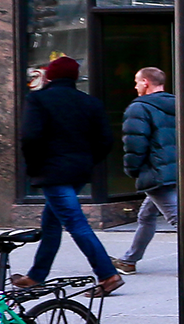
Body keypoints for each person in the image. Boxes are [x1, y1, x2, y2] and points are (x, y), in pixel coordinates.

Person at [12, 56, 123, 294]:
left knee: (75, 223)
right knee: (51, 223)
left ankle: (107, 275)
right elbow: (105, 140)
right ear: (75, 78)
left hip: (52, 171)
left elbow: (30, 137)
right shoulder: (89, 102)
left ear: (49, 76)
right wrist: (87, 161)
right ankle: (36, 275)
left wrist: (34, 167)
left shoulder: (38, 100)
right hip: (78, 170)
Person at [114, 67, 178, 274]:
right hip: (176, 170)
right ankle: (129, 260)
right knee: (146, 215)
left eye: (136, 81)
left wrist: (133, 170)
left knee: (180, 220)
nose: (134, 86)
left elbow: (135, 143)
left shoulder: (139, 107)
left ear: (145, 83)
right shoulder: (178, 104)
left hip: (156, 171)